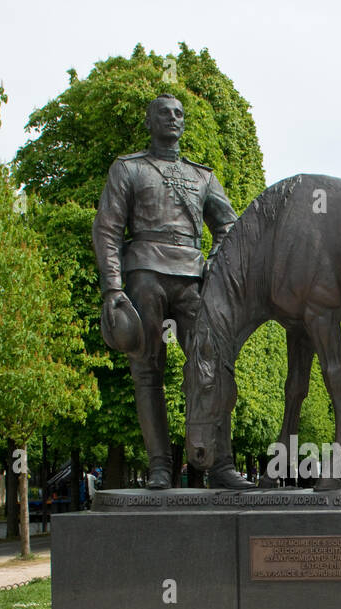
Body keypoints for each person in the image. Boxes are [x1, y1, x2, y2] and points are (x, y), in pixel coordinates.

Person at [93, 94, 251, 491]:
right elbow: (108, 229)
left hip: (193, 277)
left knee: (211, 366)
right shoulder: (128, 169)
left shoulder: (203, 177)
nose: (173, 118)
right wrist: (113, 287)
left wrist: (215, 260)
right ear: (150, 121)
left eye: (179, 113)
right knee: (148, 370)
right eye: (164, 113)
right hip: (144, 273)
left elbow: (230, 226)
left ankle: (221, 465)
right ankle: (160, 466)